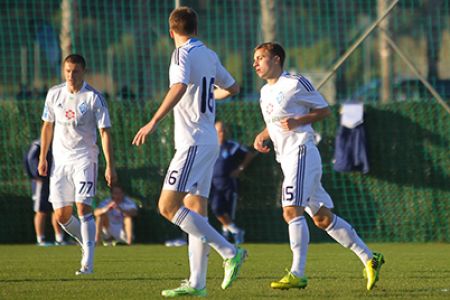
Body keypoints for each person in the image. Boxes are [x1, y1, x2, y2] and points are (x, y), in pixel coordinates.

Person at [132, 7, 246, 297]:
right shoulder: (209, 54)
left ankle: (229, 251)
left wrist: (154, 120)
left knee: (168, 206)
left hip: (192, 141)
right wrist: (208, 95)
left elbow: (179, 85)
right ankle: (197, 284)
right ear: (195, 28)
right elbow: (233, 88)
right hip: (208, 141)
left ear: (172, 31)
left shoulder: (181, 54)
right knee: (196, 210)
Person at [252, 42, 384, 291]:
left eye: (261, 58)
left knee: (291, 211)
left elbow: (323, 110)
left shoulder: (295, 82)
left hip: (301, 152)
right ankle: (370, 258)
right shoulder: (263, 92)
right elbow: (277, 123)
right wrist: (262, 135)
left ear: (277, 59)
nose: (255, 63)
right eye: (255, 59)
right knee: (323, 219)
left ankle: (297, 273)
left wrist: (300, 119)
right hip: (287, 159)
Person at [38, 54, 117, 275]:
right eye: (68, 71)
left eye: (76, 71)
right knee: (62, 215)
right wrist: (43, 157)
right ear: (64, 71)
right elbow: (47, 127)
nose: (71, 75)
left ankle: (88, 264)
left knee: (83, 207)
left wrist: (110, 165)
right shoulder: (54, 94)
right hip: (60, 161)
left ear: (84, 72)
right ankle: (87, 240)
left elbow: (105, 132)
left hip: (85, 158)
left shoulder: (94, 98)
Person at [210, 120, 256, 244]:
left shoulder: (232, 146)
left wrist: (240, 169)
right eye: (219, 131)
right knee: (216, 208)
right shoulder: (210, 146)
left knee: (228, 212)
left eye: (224, 131)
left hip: (229, 183)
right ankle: (236, 231)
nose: (222, 133)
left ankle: (227, 238)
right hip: (214, 184)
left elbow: (249, 154)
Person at [24, 139, 66, 246]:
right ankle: (40, 239)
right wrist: (36, 175)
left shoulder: (59, 143)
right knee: (41, 210)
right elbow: (30, 158)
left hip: (55, 180)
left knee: (56, 208)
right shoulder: (38, 144)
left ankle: (59, 238)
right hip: (41, 182)